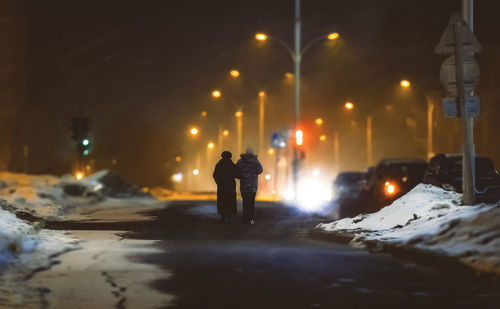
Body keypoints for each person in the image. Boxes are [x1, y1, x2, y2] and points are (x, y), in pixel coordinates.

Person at [236, 147, 263, 224]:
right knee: (251, 202)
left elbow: (236, 170)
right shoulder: (255, 162)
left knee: (245, 202)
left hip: (244, 185)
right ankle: (250, 219)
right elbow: (260, 170)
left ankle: (245, 217)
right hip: (253, 186)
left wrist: (242, 176)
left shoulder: (240, 161)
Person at [213, 151, 238, 223]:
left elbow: (215, 175)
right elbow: (237, 174)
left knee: (222, 201)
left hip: (222, 186)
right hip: (230, 186)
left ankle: (223, 216)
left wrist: (218, 182)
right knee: (230, 201)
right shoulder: (232, 165)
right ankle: (229, 216)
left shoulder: (219, 165)